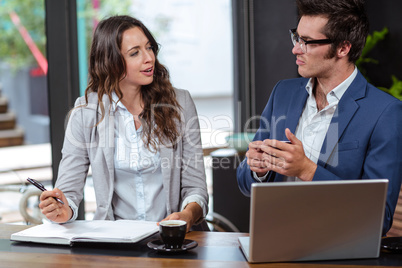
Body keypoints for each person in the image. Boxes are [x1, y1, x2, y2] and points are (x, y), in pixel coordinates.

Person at [237, 0, 402, 235]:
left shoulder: (385, 112)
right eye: (297, 37)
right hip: (272, 239)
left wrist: (307, 170)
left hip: (335, 247)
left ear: (343, 48)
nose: (296, 49)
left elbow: (380, 217)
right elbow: (245, 182)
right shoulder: (283, 93)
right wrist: (258, 169)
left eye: (308, 42)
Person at [39, 15, 209, 231]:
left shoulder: (180, 103)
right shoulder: (85, 113)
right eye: (135, 53)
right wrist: (61, 209)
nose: (149, 58)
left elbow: (196, 188)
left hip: (173, 239)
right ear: (111, 62)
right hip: (115, 240)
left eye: (149, 48)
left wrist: (186, 214)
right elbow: (68, 193)